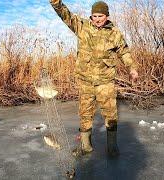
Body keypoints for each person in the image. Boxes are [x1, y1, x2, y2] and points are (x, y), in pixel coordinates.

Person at [50, 0, 138, 157]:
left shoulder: (114, 33)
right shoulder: (81, 26)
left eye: (101, 16)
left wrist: (132, 68)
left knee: (110, 115)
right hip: (86, 82)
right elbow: (64, 14)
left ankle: (112, 147)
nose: (97, 19)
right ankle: (85, 146)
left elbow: (124, 52)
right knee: (84, 114)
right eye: (94, 15)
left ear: (107, 15)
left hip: (105, 82)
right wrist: (55, 2)